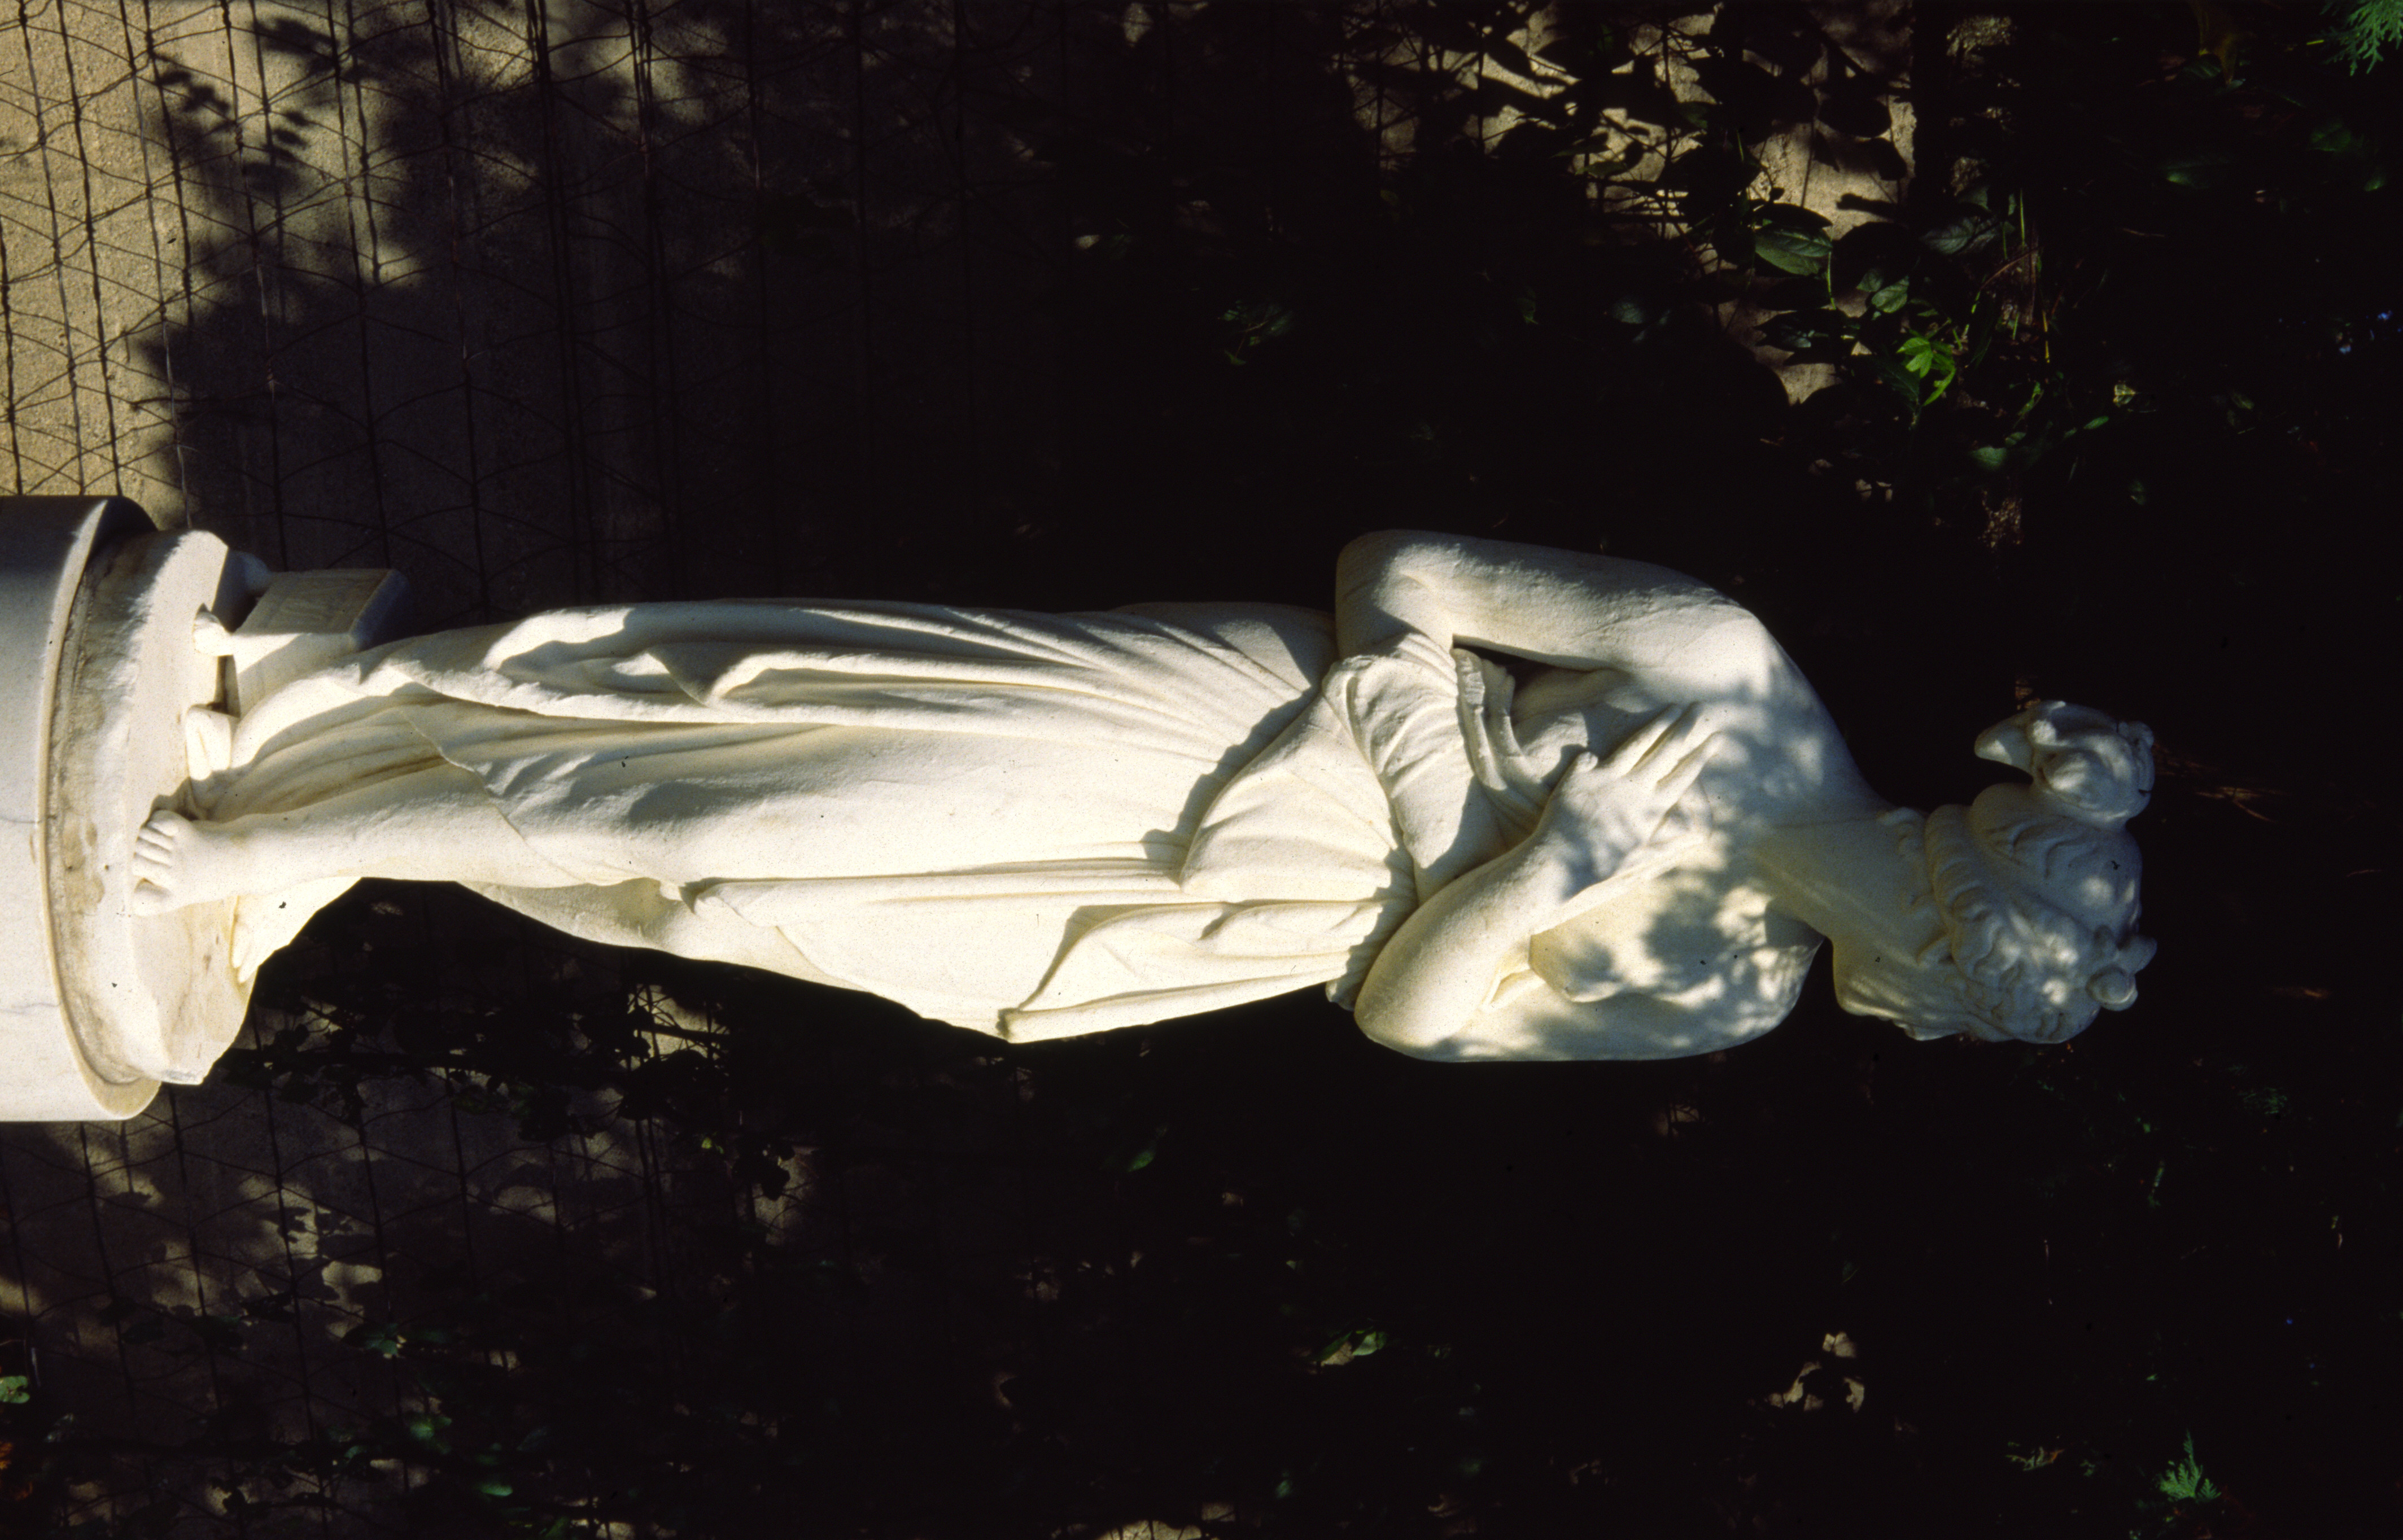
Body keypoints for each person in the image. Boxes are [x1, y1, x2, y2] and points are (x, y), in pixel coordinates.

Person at [131, 531, 2156, 1058]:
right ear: (1947, 918)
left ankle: (341, 819)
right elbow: (1399, 575)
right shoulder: (1724, 665)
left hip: (1249, 917)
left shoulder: (1726, 994)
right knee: (738, 774)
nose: (1917, 1031)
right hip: (1225, 737)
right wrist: (1457, 793)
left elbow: (1411, 1017)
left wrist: (1547, 868)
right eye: (1957, 1010)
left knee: (726, 895)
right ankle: (281, 810)